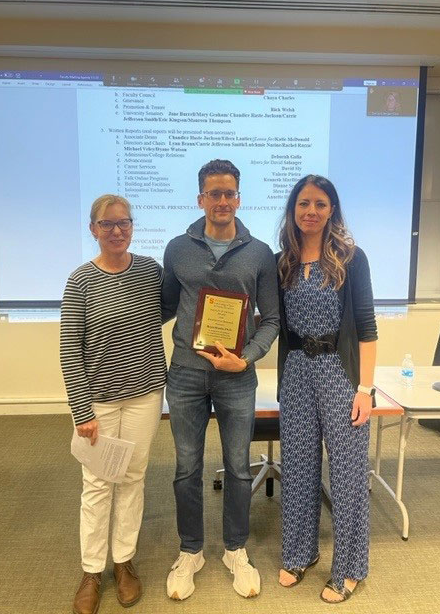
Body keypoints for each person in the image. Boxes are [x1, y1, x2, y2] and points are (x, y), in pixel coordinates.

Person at [162, 159, 280, 600]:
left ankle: (235, 549)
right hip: (187, 375)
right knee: (186, 467)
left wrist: (246, 358)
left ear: (239, 198)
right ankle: (190, 550)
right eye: (214, 194)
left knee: (236, 467)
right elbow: (166, 307)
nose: (222, 201)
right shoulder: (177, 248)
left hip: (236, 378)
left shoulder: (259, 253)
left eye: (230, 193)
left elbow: (270, 320)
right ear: (201, 199)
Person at [60, 194, 167, 614]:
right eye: (108, 224)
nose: (117, 231)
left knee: (133, 478)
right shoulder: (80, 280)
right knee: (98, 484)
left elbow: (174, 308)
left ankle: (123, 563)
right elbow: (70, 350)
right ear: (93, 229)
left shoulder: (149, 271)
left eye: (124, 222)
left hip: (143, 395)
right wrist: (81, 411)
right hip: (99, 404)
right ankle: (91, 571)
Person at [276, 175, 377, 603]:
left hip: (340, 371)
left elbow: (367, 329)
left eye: (319, 203)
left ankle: (351, 567)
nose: (310, 211)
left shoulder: (352, 259)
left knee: (349, 473)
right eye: (303, 203)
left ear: (331, 209)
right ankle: (300, 553)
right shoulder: (285, 261)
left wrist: (365, 390)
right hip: (297, 371)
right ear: (293, 210)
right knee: (298, 467)